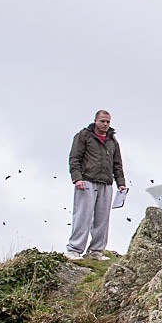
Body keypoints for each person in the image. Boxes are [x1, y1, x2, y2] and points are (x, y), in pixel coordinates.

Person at [65, 110, 126, 261]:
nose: (105, 124)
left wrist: (121, 183)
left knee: (102, 218)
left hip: (106, 183)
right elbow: (74, 158)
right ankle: (74, 249)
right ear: (95, 121)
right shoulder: (83, 136)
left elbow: (117, 163)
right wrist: (77, 178)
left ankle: (96, 251)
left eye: (108, 122)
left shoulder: (112, 141)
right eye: (102, 121)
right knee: (82, 216)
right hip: (86, 181)